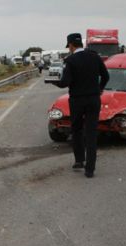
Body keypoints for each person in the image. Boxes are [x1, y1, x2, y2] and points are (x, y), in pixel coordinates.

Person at [50, 33, 109, 178]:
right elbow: (106, 76)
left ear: (70, 45)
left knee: (76, 129)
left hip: (77, 100)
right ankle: (90, 169)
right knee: (91, 133)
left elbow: (65, 82)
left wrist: (53, 81)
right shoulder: (95, 56)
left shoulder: (71, 60)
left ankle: (79, 160)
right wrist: (99, 88)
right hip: (94, 99)